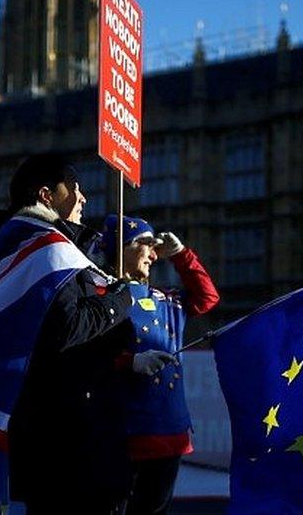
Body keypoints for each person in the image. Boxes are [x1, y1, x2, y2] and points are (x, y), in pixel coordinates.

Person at [0, 155, 151, 514]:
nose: (83, 198)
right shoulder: (46, 250)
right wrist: (120, 298)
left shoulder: (21, 247)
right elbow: (67, 329)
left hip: (61, 439)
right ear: (47, 195)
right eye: (75, 188)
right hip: (68, 446)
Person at [100, 214, 220, 515]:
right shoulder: (103, 296)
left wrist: (182, 255)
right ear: (120, 248)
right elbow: (84, 356)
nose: (154, 255)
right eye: (145, 245)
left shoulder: (167, 300)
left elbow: (207, 298)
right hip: (126, 433)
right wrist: (129, 362)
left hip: (169, 429)